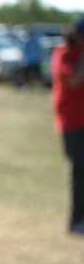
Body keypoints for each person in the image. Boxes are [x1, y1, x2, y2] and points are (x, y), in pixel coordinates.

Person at [51, 18, 84, 236]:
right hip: (71, 122)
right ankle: (76, 220)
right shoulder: (64, 53)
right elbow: (73, 80)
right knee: (79, 169)